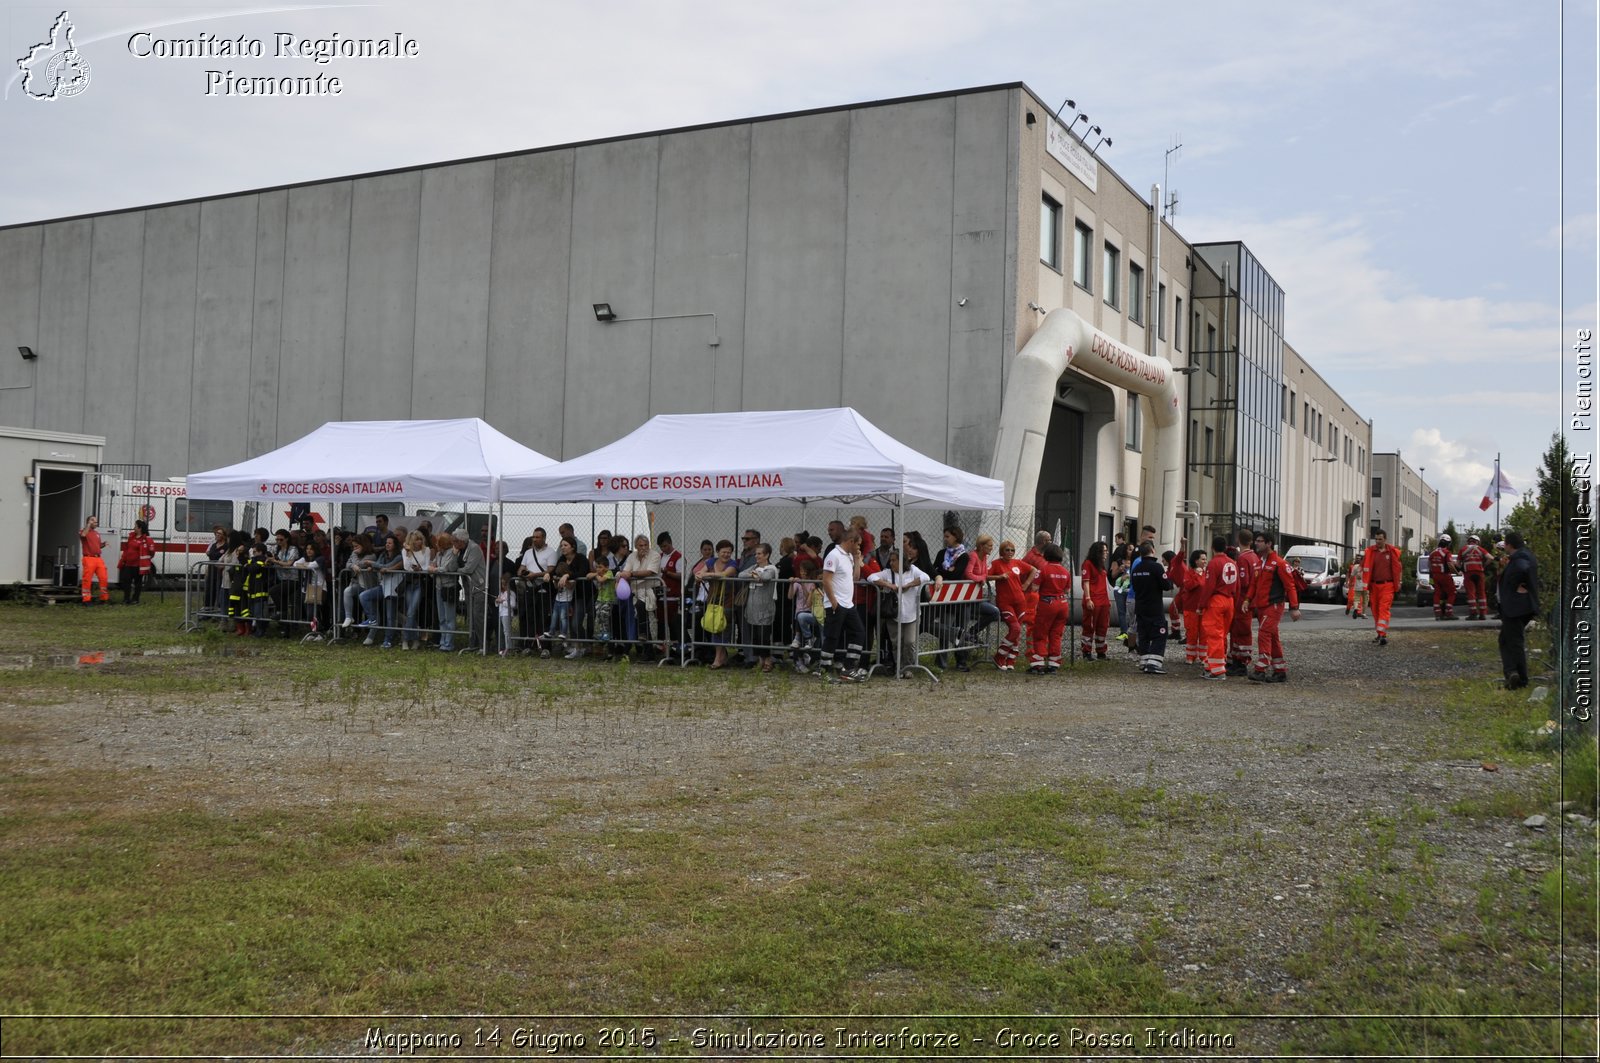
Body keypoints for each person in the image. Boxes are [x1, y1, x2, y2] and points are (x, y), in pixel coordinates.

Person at [1246, 530, 1301, 682]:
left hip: (1274, 605)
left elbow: (1290, 586)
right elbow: (1253, 584)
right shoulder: (1258, 563)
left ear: (1269, 544)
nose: (1256, 543)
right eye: (1256, 541)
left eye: (1260, 541)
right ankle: (1280, 670)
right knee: (1273, 637)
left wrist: (1294, 608)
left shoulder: (1280, 564)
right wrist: (1247, 600)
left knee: (1264, 634)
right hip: (1262, 606)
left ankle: (1261, 669)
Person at [867, 548, 927, 677]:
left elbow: (925, 577)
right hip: (894, 615)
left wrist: (909, 584)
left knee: (910, 642)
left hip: (912, 614)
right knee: (896, 643)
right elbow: (871, 577)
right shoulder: (888, 573)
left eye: (894, 560)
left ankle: (907, 667)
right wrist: (888, 585)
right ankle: (899, 668)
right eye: (890, 560)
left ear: (902, 561)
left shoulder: (912, 570)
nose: (891, 563)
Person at [820, 528, 867, 681]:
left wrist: (857, 561)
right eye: (858, 545)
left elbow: (855, 578)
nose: (859, 548)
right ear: (851, 542)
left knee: (859, 633)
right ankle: (824, 670)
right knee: (832, 637)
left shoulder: (849, 556)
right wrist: (834, 603)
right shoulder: (834, 555)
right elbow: (826, 580)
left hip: (848, 604)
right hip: (837, 604)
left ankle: (848, 667)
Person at [1496, 530, 1540, 689]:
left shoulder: (1521, 557)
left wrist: (1518, 585)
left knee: (1514, 642)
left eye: (1505, 545)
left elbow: (1523, 569)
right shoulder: (1522, 555)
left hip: (1516, 607)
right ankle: (1512, 672)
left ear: (1509, 544)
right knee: (1506, 640)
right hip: (1517, 606)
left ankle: (1520, 678)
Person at [986, 540, 1036, 671]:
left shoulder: (1018, 563)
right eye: (1007, 550)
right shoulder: (996, 563)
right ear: (1002, 551)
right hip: (1005, 602)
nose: (1010, 552)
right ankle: (999, 656)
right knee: (1015, 629)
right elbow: (986, 576)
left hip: (1020, 602)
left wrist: (1025, 585)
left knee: (1017, 632)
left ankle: (1011, 660)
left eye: (1012, 550)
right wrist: (999, 577)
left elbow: (1033, 570)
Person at [1199, 534, 1239, 680]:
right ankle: (1213, 665)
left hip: (1217, 601)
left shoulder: (1213, 563)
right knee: (1222, 635)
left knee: (1214, 635)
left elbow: (1209, 587)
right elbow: (1237, 586)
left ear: (1212, 548)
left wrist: (1201, 605)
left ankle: (1217, 671)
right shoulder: (1232, 563)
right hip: (1230, 601)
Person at [1128, 540, 1170, 675]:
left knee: (1144, 635)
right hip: (1154, 607)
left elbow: (1134, 585)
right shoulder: (1156, 567)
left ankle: (1144, 661)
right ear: (1153, 550)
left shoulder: (1136, 569)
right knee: (1160, 633)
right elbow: (1166, 585)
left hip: (1140, 607)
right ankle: (1154, 664)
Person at [1028, 543, 1072, 675]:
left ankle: (1038, 663)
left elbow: (1034, 588)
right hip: (1063, 604)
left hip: (1047, 603)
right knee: (1056, 634)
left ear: (1046, 555)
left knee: (1040, 633)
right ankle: (1053, 664)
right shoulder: (1066, 571)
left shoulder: (1043, 569)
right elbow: (1067, 590)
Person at [1361, 529, 1403, 646]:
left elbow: (1398, 568)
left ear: (1385, 539)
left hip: (1387, 585)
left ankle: (1381, 633)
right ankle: (1381, 634)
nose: (1378, 541)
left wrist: (1398, 582)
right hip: (1374, 586)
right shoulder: (1371, 552)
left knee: (1383, 609)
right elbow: (1363, 565)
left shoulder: (1392, 552)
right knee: (1375, 611)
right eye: (1376, 539)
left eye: (1380, 539)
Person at [1227, 528, 1259, 674]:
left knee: (1239, 631)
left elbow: (1243, 581)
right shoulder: (1255, 558)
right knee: (1244, 630)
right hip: (1252, 599)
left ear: (1238, 540)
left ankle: (1240, 663)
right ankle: (1239, 660)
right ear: (1251, 541)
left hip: (1242, 599)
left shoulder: (1242, 559)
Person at [744, 543, 780, 672]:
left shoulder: (771, 568)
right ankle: (760, 660)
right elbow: (741, 575)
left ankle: (768, 660)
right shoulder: (754, 567)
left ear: (767, 555)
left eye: (759, 554)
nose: (757, 556)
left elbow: (765, 578)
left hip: (765, 608)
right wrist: (753, 574)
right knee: (755, 636)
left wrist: (755, 575)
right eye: (756, 554)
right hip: (752, 607)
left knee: (764, 636)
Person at [1170, 543, 1207, 666]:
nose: (1205, 561)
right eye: (1202, 559)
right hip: (1191, 608)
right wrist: (1197, 575)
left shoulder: (1207, 573)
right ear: (1196, 561)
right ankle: (1190, 656)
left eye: (1205, 559)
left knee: (1204, 633)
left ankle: (1203, 656)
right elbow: (1189, 586)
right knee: (1191, 633)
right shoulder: (1189, 573)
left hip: (1204, 608)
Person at [456, 528, 488, 652]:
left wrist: (456, 571)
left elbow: (469, 568)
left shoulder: (474, 548)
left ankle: (482, 644)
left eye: (455, 541)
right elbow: (454, 564)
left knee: (477, 615)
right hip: (468, 586)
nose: (454, 544)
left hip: (478, 586)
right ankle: (473, 643)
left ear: (461, 541)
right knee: (471, 616)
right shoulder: (459, 550)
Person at [1080, 540, 1112, 659]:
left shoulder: (1101, 566)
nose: (1106, 553)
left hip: (1103, 601)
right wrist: (1088, 599)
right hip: (1093, 600)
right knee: (1089, 626)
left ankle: (1101, 651)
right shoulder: (1088, 564)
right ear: (1097, 552)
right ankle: (1086, 651)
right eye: (1104, 551)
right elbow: (1086, 582)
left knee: (1102, 626)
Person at [431, 532, 461, 652]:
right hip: (439, 587)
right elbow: (433, 564)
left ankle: (449, 643)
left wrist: (435, 569)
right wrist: (432, 567)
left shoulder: (452, 553)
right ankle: (443, 641)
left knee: (449, 617)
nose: (436, 544)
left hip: (449, 587)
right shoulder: (438, 554)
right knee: (441, 617)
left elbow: (448, 568)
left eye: (438, 542)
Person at [118, 519, 156, 604]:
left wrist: (146, 560)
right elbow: (127, 549)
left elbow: (152, 552)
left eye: (135, 526)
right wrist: (123, 560)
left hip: (138, 565)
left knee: (138, 583)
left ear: (140, 528)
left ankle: (135, 599)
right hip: (128, 564)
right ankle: (126, 599)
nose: (134, 528)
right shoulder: (131, 537)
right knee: (126, 581)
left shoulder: (146, 539)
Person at [1459, 534, 1491, 620]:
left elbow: (1457, 563)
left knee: (1471, 594)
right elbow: (1490, 558)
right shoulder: (1480, 549)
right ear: (1477, 542)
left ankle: (1473, 614)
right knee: (1481, 593)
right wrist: (1483, 565)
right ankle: (1483, 614)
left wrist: (1461, 568)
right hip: (1480, 573)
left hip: (1468, 573)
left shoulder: (1463, 549)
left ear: (1469, 541)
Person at [79, 515, 110, 604]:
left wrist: (104, 544)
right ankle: (86, 599)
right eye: (94, 521)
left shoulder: (97, 533)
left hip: (98, 558)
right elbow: (83, 535)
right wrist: (88, 525)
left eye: (96, 521)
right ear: (89, 522)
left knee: (103, 577)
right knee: (87, 579)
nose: (96, 523)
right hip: (88, 558)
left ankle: (104, 598)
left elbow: (98, 545)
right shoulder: (83, 531)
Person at [1429, 533, 1459, 620]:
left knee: (1437, 594)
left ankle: (1438, 613)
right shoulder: (1446, 553)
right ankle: (1449, 612)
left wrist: (1432, 580)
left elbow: (1430, 566)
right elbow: (1450, 565)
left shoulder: (1432, 553)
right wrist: (1457, 573)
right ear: (1448, 543)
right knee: (1452, 593)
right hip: (1445, 576)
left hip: (1435, 576)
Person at [494, 573, 517, 657]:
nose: (503, 586)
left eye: (504, 584)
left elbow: (513, 604)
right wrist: (497, 601)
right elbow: (497, 604)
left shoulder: (511, 593)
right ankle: (504, 648)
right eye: (502, 584)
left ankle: (509, 648)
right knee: (503, 631)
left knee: (507, 631)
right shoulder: (501, 593)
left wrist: (503, 602)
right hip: (501, 614)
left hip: (507, 614)